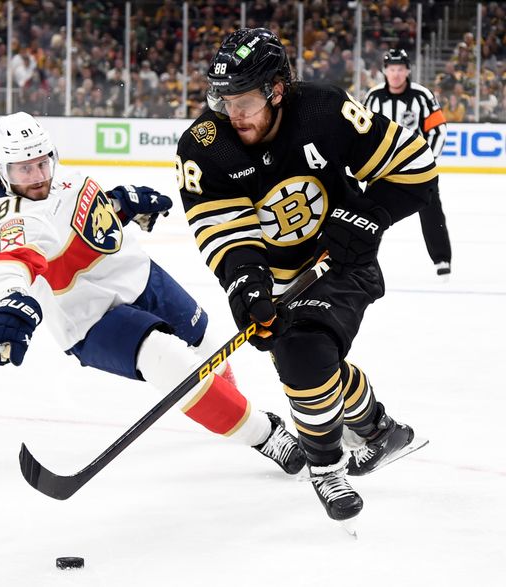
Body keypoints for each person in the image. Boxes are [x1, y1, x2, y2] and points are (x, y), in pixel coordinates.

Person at [176, 29, 436, 522]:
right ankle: (382, 431)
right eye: (222, 99)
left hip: (339, 261)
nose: (232, 114)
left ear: (276, 90)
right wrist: (247, 288)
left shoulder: (324, 111)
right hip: (275, 278)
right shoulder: (205, 146)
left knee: (304, 356)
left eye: (244, 100)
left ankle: (325, 466)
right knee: (315, 371)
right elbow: (225, 233)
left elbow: (415, 168)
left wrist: (365, 216)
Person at [0, 111, 306, 476]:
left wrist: (123, 204)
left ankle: (229, 406)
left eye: (42, 162)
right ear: (3, 169)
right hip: (91, 318)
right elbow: (8, 264)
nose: (38, 177)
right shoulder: (13, 219)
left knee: (208, 345)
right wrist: (9, 306)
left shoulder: (65, 179)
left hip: (142, 277)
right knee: (167, 360)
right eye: (24, 169)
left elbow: (89, 218)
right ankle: (263, 434)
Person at [364, 48, 452, 277]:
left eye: (400, 69)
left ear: (408, 70)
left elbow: (438, 130)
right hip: (382, 169)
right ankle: (363, 261)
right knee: (367, 215)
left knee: (432, 211)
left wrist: (427, 161)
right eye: (391, 69)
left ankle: (441, 259)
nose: (395, 74)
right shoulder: (373, 97)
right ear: (384, 71)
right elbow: (362, 132)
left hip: (418, 169)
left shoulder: (422, 96)